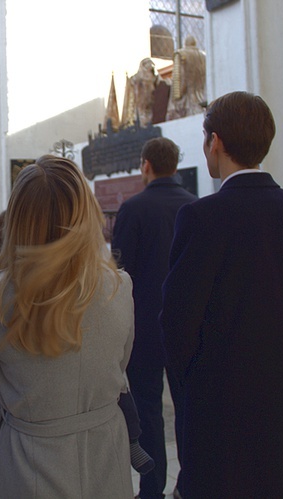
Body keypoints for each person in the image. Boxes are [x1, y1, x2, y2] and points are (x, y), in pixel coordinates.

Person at [160, 91, 283, 498]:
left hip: (222, 415)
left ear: (214, 142)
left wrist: (192, 393)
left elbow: (177, 325)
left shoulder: (202, 217)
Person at [0, 155, 138, 498]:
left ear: (18, 218)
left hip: (29, 460)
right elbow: (119, 365)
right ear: (86, 213)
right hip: (104, 452)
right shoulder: (119, 286)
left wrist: (20, 405)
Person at [111, 137, 197, 499]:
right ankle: (189, 484)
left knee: (147, 415)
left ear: (145, 165)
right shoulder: (195, 208)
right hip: (187, 327)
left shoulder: (134, 209)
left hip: (144, 328)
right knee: (189, 410)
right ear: (175, 165)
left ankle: (151, 490)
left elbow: (120, 271)